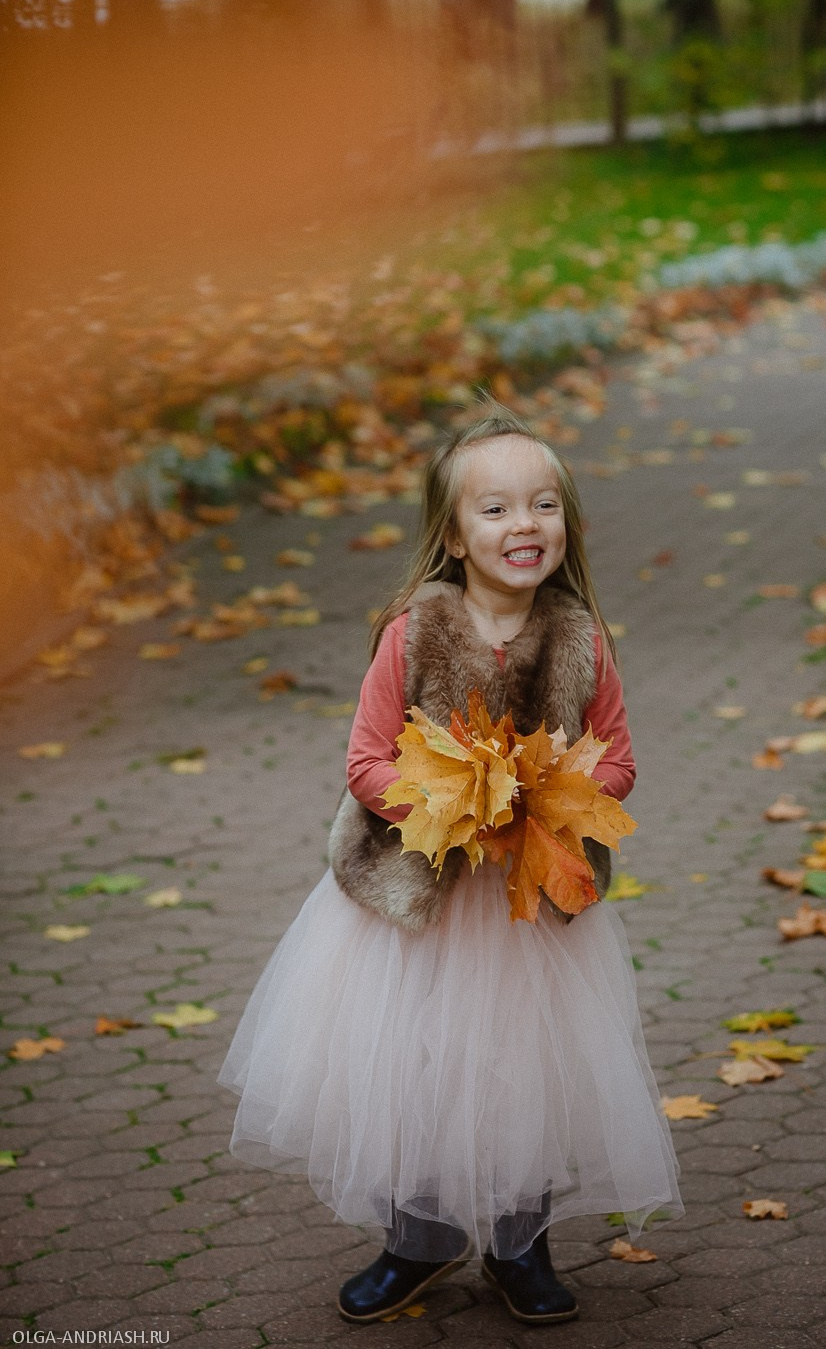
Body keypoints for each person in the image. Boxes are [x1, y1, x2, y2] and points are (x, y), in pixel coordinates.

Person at [217, 400, 683, 1326]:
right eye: (497, 509)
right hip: (415, 903)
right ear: (454, 534)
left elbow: (619, 758)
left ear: (567, 523)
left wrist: (551, 797)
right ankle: (418, 1239)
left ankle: (522, 1245)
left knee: (526, 1071)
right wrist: (450, 812)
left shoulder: (582, 638)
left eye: (544, 505)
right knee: (414, 1065)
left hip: (529, 909)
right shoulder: (414, 631)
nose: (525, 526)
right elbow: (365, 760)